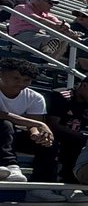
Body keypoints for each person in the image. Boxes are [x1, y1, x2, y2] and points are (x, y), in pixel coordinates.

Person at [0, 56, 58, 191]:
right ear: (1, 74)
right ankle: (11, 167)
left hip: (9, 136)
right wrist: (39, 124)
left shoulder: (35, 97)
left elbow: (33, 124)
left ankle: (42, 188)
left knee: (49, 143)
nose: (21, 83)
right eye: (16, 78)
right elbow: (1, 115)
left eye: (26, 80)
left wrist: (37, 135)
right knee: (5, 124)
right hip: (4, 131)